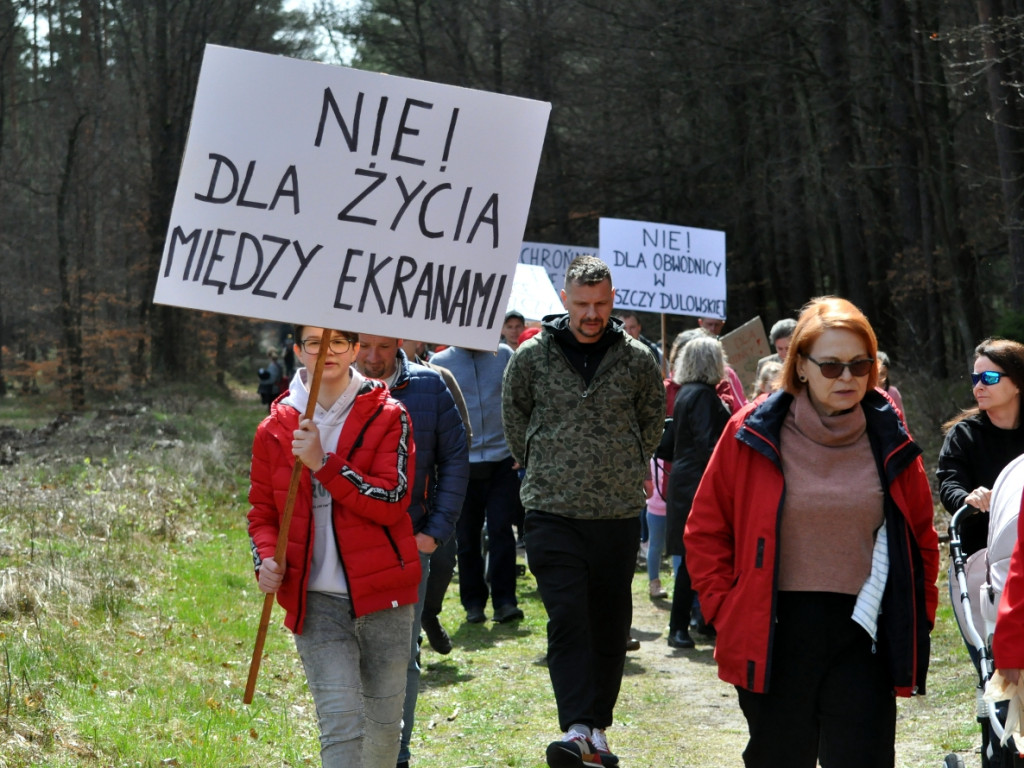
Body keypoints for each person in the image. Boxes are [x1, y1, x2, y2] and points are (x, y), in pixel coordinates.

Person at [685, 297, 939, 768]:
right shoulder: (752, 429)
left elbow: (920, 535)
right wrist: (726, 607)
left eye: (860, 364)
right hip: (774, 630)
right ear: (799, 366)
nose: (847, 377)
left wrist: (918, 615)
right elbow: (706, 528)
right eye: (831, 366)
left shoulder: (889, 433)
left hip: (865, 634)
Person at [502, 254, 664, 768]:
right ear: (565, 302)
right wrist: (542, 461)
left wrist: (625, 463)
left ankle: (597, 730)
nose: (590, 314)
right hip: (551, 508)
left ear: (611, 300)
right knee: (568, 616)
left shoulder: (638, 358)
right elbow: (515, 414)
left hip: (616, 513)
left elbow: (652, 420)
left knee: (610, 621)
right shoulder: (531, 356)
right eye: (581, 304)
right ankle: (576, 726)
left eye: (599, 304)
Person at [247, 327, 421, 768]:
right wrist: (265, 560)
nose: (325, 350)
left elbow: (391, 500)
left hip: (384, 595)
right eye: (312, 342)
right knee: (342, 721)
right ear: (297, 351)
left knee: (383, 729)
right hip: (315, 599)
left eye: (338, 341)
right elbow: (262, 514)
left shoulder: (389, 415)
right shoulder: (274, 428)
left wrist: (323, 464)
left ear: (355, 350)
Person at [355, 334, 470, 768]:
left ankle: (395, 755)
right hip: (345, 547)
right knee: (350, 655)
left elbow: (456, 458)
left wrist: (435, 531)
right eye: (363, 346)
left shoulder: (429, 386)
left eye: (382, 347)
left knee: (401, 656)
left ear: (398, 342)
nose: (372, 357)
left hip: (408, 544)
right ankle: (354, 748)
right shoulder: (331, 389)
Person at [431, 340, 524, 625]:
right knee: (467, 538)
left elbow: (519, 400)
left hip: (502, 461)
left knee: (501, 532)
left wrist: (520, 446)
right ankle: (473, 603)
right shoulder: (440, 362)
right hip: (461, 465)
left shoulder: (505, 354)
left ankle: (505, 601)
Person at [665, 336, 731, 649]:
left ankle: (699, 621)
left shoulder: (686, 392)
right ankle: (679, 627)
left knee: (694, 558)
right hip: (697, 484)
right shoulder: (703, 395)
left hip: (685, 481)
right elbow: (709, 445)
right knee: (696, 559)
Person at [938, 338, 1024, 557]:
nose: (979, 386)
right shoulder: (963, 435)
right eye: (975, 378)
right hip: (978, 557)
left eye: (989, 378)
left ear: (1017, 383)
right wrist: (968, 499)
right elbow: (950, 485)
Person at [876, 351, 904, 415]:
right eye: (876, 373)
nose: (879, 377)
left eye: (882, 373)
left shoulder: (894, 393)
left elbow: (901, 421)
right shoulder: (865, 392)